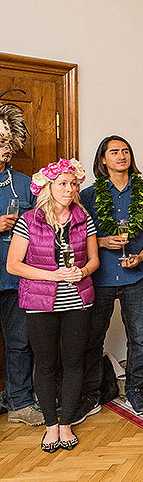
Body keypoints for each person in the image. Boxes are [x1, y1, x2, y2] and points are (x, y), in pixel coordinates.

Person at [7, 158, 99, 452]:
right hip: (39, 302)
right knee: (45, 364)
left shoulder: (84, 218)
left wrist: (82, 272)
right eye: (63, 184)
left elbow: (94, 260)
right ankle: (50, 425)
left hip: (78, 301)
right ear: (49, 187)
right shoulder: (29, 220)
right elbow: (13, 265)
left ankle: (67, 423)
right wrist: (53, 275)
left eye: (73, 184)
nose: (70, 189)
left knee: (74, 362)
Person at [78, 135, 143, 418]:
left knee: (138, 337)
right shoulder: (88, 195)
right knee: (93, 336)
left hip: (136, 276)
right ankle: (91, 394)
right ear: (103, 159)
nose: (121, 156)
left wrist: (140, 256)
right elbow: (78, 237)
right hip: (100, 278)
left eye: (125, 151)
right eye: (114, 152)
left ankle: (135, 389)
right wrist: (100, 242)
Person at [0, 103, 42, 426]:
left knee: (19, 342)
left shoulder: (26, 183)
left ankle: (20, 403)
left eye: (3, 141)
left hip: (15, 280)